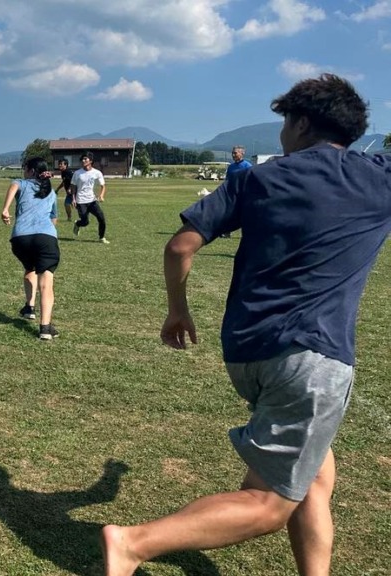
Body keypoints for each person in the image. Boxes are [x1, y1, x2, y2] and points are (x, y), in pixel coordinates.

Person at [102, 74, 391, 576]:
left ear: (302, 124)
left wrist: (177, 310)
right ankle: (132, 543)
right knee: (268, 504)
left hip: (247, 354)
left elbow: (180, 246)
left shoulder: (257, 178)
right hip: (312, 358)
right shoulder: (378, 179)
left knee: (314, 476)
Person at [0, 157, 61, 340]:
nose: (23, 171)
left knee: (30, 268)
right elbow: (54, 219)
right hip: (46, 238)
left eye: (25, 168)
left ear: (32, 170)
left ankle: (29, 308)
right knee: (46, 281)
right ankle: (45, 328)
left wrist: (5, 209)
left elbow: (14, 186)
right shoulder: (51, 192)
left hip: (20, 239)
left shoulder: (22, 183)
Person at [70, 153, 109, 243]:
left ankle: (101, 237)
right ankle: (77, 224)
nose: (83, 161)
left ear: (91, 161)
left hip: (92, 201)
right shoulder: (77, 173)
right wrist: (73, 199)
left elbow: (103, 186)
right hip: (81, 201)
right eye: (82, 159)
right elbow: (73, 186)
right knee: (85, 222)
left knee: (101, 218)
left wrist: (101, 195)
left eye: (85, 159)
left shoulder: (97, 173)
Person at [218, 146, 253, 238]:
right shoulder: (231, 167)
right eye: (232, 153)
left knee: (245, 214)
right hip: (232, 194)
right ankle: (227, 232)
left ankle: (247, 233)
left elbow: (251, 180)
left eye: (235, 153)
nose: (233, 155)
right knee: (228, 213)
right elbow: (227, 180)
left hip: (244, 194)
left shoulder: (247, 166)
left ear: (242, 153)